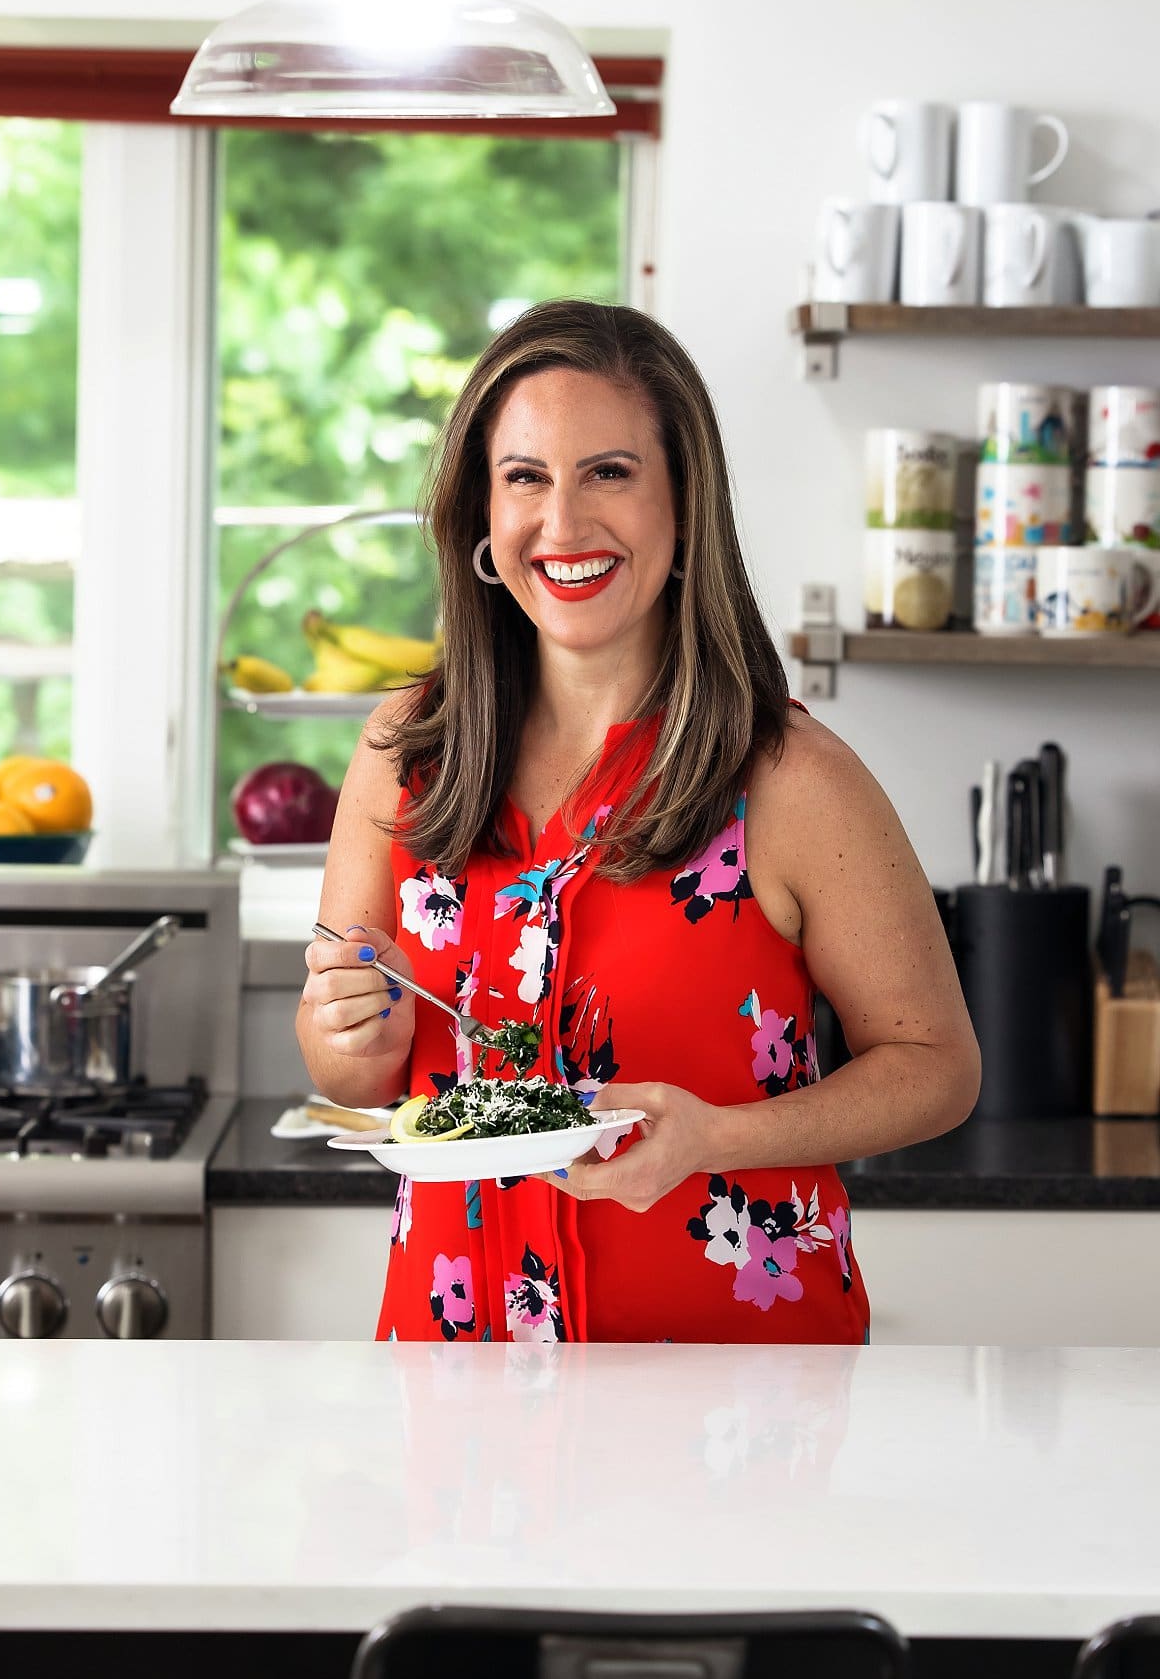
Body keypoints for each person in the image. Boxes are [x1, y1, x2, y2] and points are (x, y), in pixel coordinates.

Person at [297, 299, 980, 1344]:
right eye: (525, 477)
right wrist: (348, 1026)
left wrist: (714, 1136)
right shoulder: (408, 750)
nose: (562, 524)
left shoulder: (792, 778)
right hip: (457, 1376)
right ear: (481, 513)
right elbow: (352, 1069)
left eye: (608, 472)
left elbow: (935, 1064)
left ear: (683, 503)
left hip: (728, 1393)